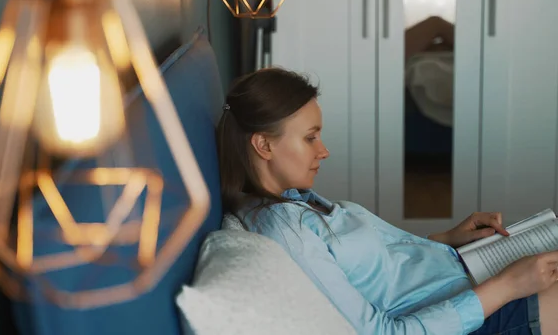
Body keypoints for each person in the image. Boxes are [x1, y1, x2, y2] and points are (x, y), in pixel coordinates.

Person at [216, 67, 558, 335]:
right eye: (310, 138)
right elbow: (378, 331)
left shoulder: (294, 201)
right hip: (472, 317)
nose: (324, 150)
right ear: (264, 145)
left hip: (465, 280)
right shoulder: (283, 229)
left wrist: (445, 240)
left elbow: (373, 270)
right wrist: (510, 284)